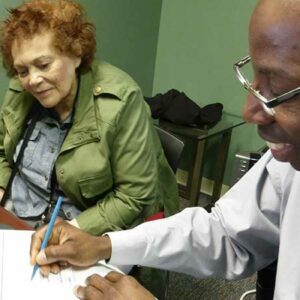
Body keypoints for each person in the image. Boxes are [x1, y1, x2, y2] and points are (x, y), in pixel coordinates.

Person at [30, 0, 300, 298]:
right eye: (254, 80)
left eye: (278, 89)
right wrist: (105, 245)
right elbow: (227, 232)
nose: (249, 111)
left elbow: (135, 194)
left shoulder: (119, 98)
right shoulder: (288, 166)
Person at [0, 0, 178, 234]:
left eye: (43, 65)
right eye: (23, 71)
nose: (32, 80)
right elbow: (2, 150)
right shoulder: (20, 89)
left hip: (88, 224)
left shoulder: (121, 100)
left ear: (76, 53)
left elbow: (133, 196)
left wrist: (71, 232)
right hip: (19, 211)